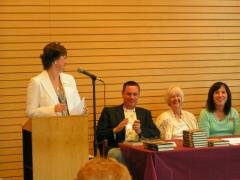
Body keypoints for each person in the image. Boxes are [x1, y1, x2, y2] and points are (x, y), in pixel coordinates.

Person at [96, 81, 160, 162]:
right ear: (122, 94)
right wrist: (115, 130)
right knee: (115, 154)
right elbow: (98, 135)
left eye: (135, 94)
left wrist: (140, 131)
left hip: (141, 150)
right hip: (119, 149)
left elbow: (156, 133)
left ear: (138, 95)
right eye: (129, 94)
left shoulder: (145, 113)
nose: (132, 97)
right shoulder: (109, 112)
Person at [26, 42, 86, 118]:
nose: (66, 62)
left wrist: (82, 110)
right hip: (50, 128)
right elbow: (30, 112)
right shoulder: (37, 82)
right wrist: (53, 109)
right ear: (55, 60)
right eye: (64, 58)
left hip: (71, 127)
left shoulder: (70, 79)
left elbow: (76, 104)